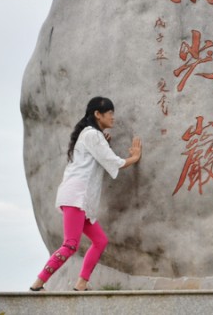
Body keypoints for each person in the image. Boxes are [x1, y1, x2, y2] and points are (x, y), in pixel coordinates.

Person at [29, 96, 142, 292]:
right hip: (76, 197)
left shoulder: (92, 136)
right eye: (110, 113)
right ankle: (37, 284)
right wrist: (134, 157)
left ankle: (81, 283)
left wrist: (104, 144)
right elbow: (114, 162)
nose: (113, 117)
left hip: (80, 199)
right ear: (98, 114)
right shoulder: (92, 135)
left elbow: (99, 157)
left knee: (100, 241)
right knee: (70, 245)